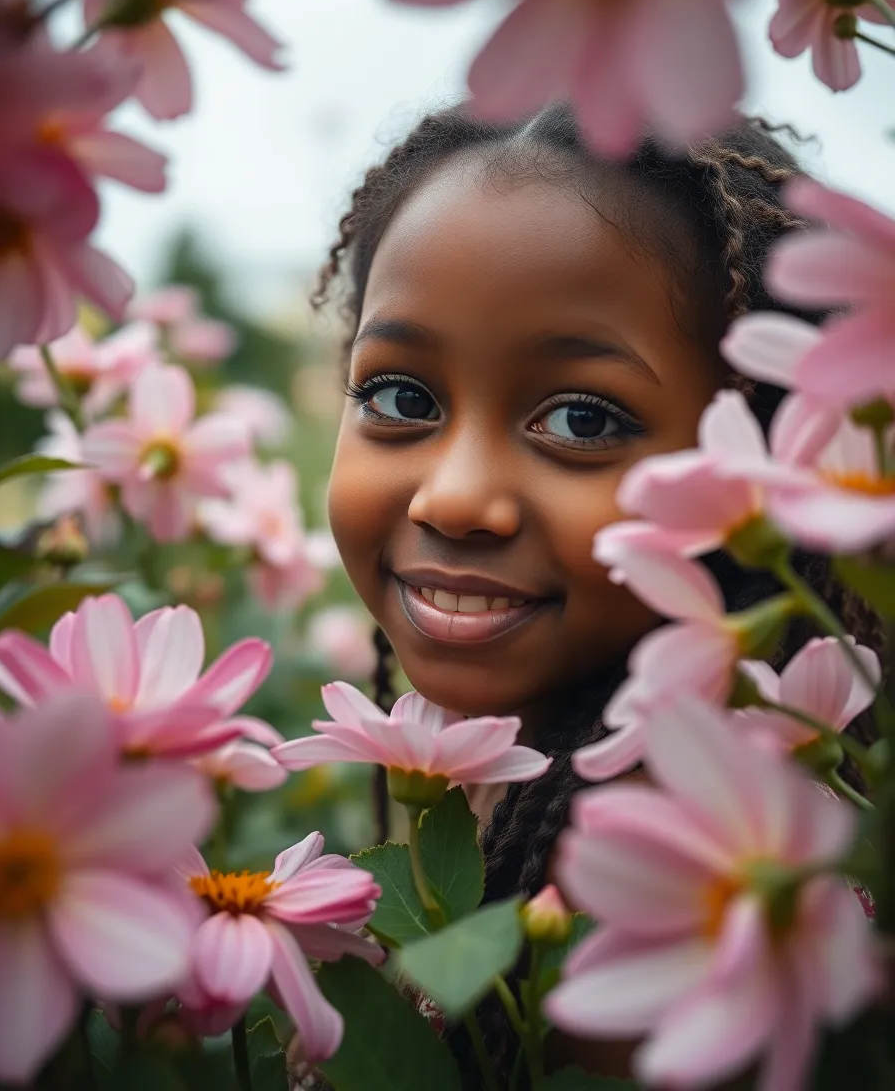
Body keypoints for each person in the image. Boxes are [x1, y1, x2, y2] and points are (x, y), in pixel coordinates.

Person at [312, 102, 883, 1086]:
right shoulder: (540, 779)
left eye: (581, 419)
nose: (454, 499)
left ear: (763, 465)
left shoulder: (675, 884)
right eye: (399, 397)